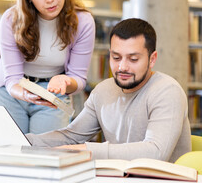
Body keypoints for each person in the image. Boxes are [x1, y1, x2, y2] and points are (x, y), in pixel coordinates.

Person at [26, 18, 191, 163]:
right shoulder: (103, 90)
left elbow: (156, 152)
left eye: (133, 59)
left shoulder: (168, 91)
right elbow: (71, 136)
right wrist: (24, 140)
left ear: (152, 59)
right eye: (116, 57)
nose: (122, 67)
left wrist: (86, 150)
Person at [0, 0, 95, 134]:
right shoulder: (11, 19)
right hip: (12, 94)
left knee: (45, 154)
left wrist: (66, 81)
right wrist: (26, 94)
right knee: (9, 154)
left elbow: (78, 78)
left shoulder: (83, 21)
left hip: (52, 96)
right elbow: (12, 79)